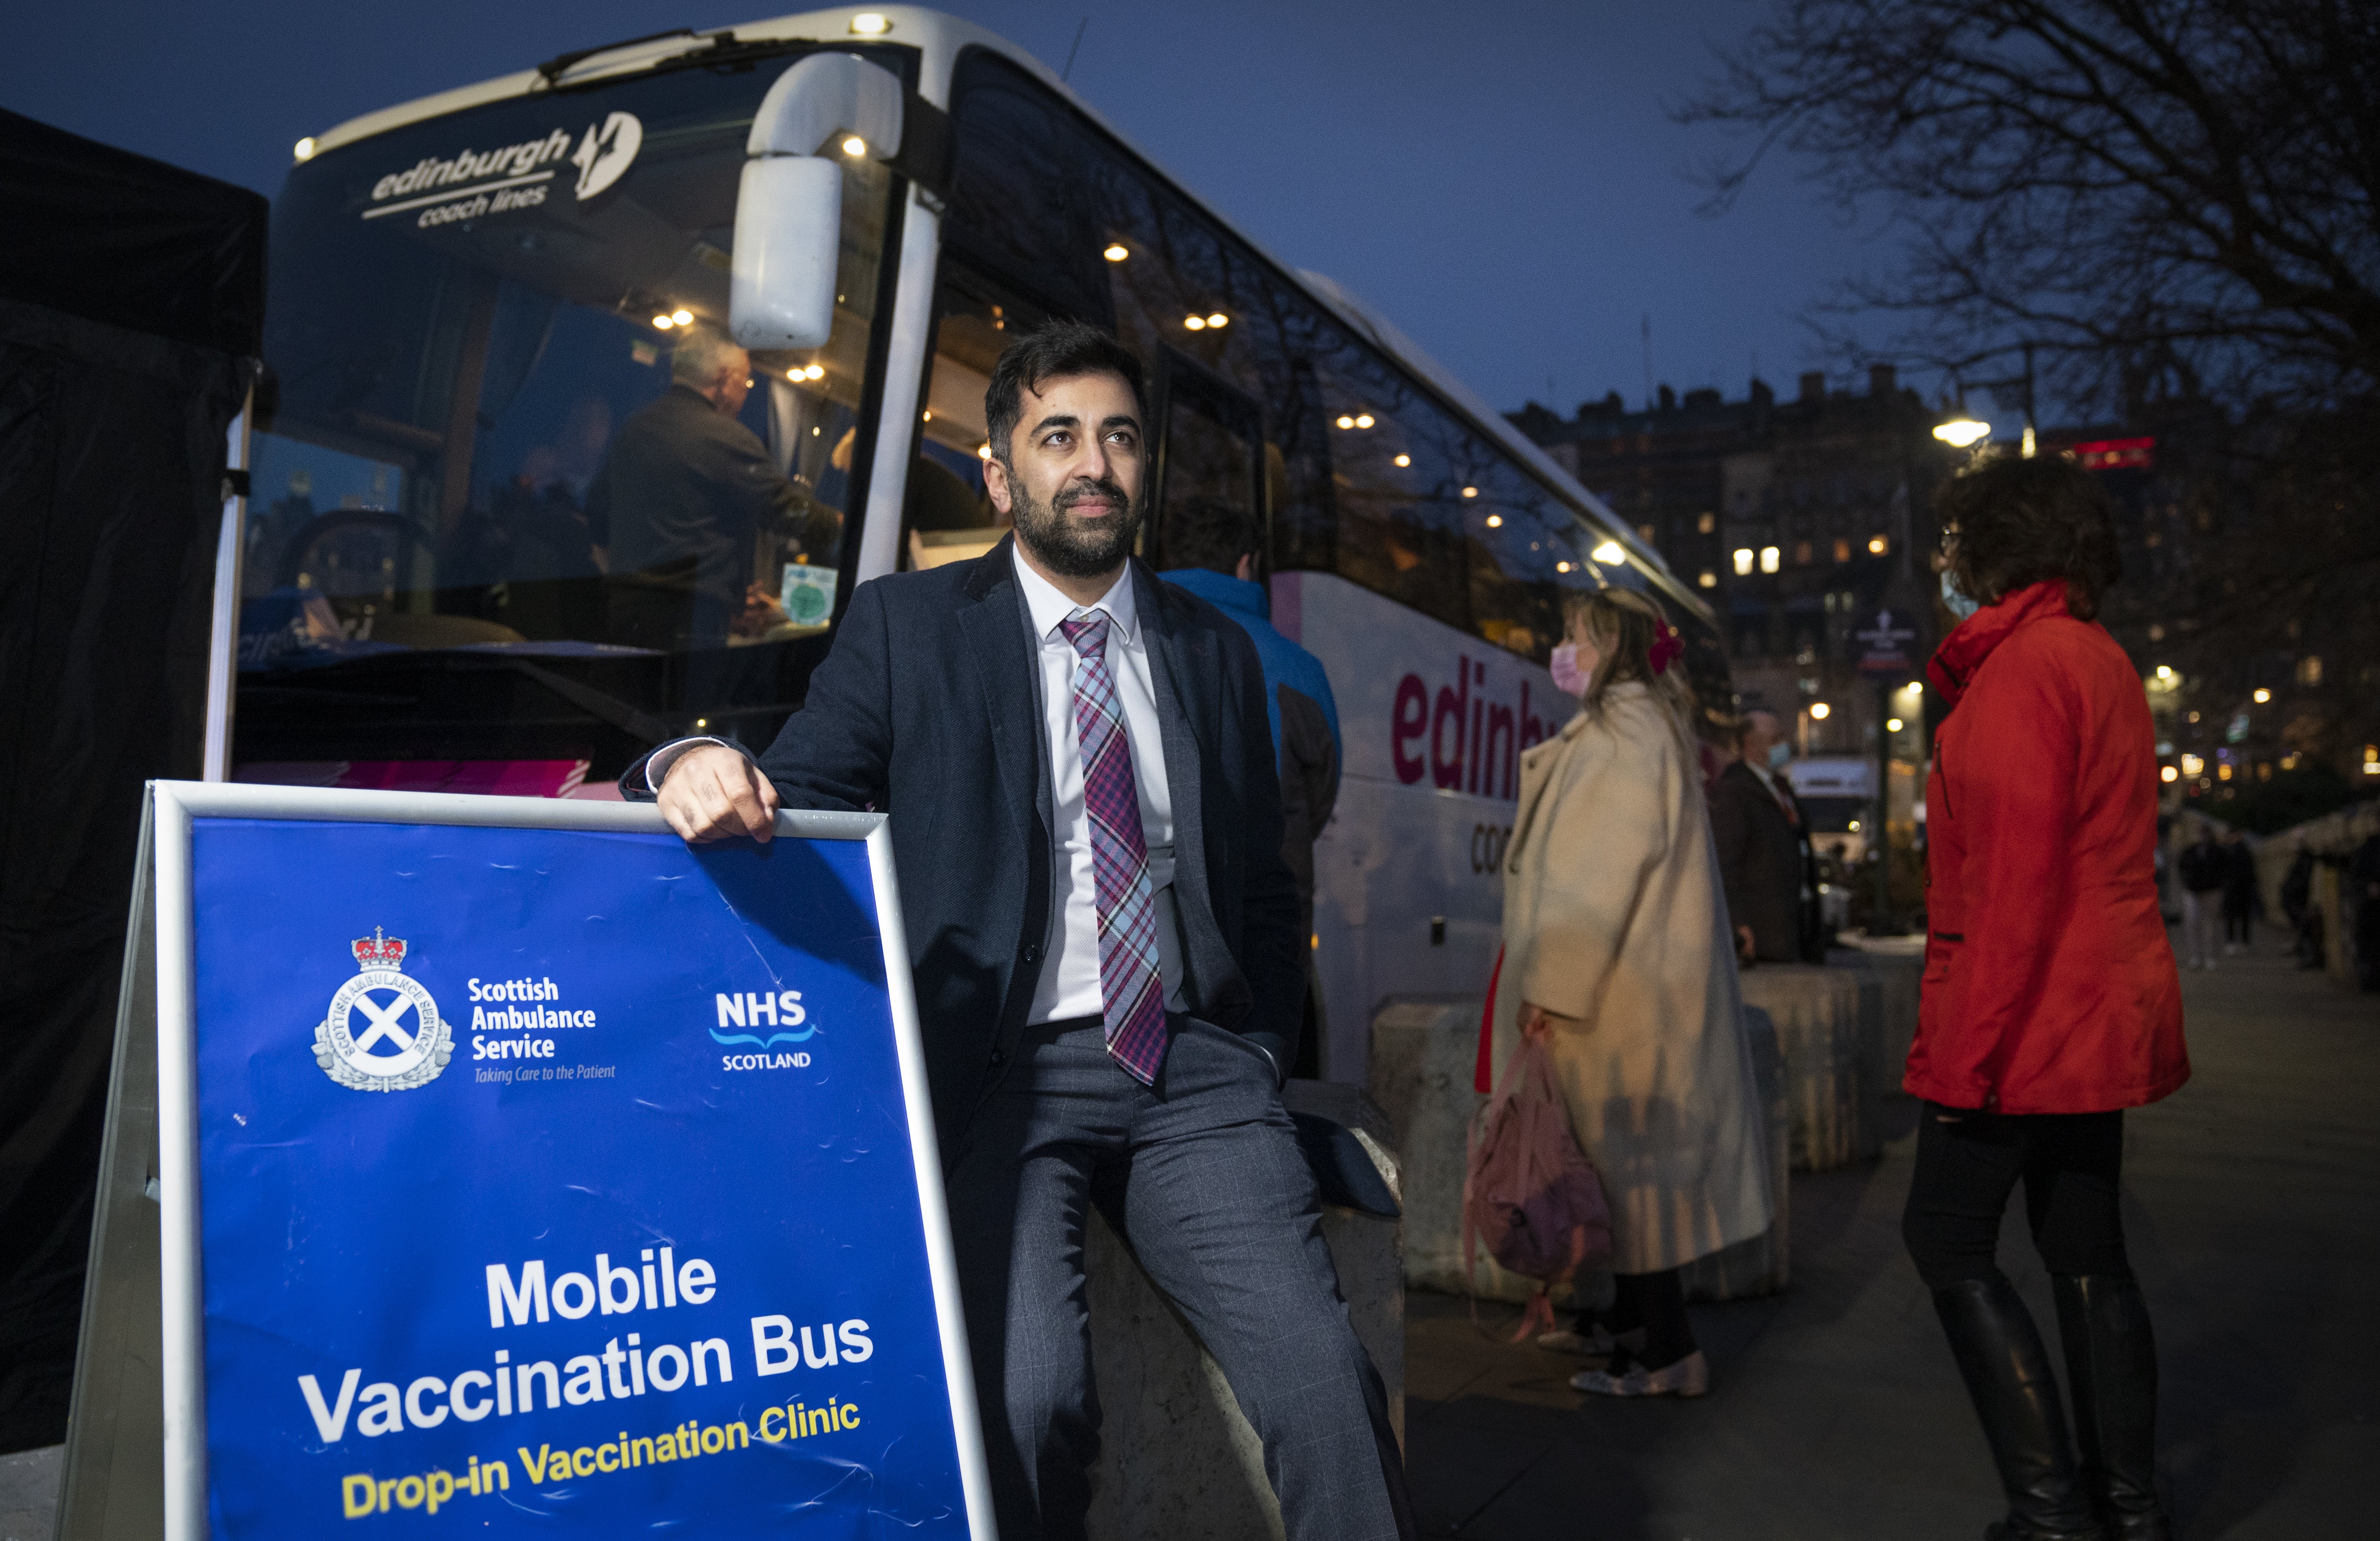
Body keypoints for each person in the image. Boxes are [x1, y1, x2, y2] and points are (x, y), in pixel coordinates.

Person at [627, 321, 1413, 1541]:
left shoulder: (1211, 653)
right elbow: (796, 789)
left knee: (1328, 1395)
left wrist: (1254, 1047)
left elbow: (1264, 882)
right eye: (1058, 437)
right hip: (1006, 1075)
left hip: (1194, 1073)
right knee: (1028, 1401)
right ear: (1002, 475)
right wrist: (685, 757)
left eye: (1117, 437)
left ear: (1143, 468)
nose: (1090, 463)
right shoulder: (908, 627)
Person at [1904, 455, 2189, 1541]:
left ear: (1999, 542)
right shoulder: (2096, 656)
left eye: (1953, 539)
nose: (1942, 561)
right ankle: (2129, 1502)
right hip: (2091, 1013)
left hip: (2026, 1019)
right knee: (2084, 1244)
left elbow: (2012, 892)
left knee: (1944, 1238)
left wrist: (1960, 1063)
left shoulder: (2023, 673)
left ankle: (2051, 1509)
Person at [1487, 588, 1772, 1398]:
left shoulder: (1624, 733)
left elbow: (1595, 878)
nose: (1563, 647)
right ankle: (1628, 1322)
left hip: (1618, 997)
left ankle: (1669, 1351)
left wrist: (1548, 986)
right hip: (1631, 992)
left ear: (1612, 647)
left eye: (1576, 634)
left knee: (1638, 1177)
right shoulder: (1637, 726)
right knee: (1622, 1174)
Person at [1157, 496, 1343, 1024]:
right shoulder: (1297, 666)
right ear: (1246, 565)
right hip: (1263, 940)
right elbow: (1322, 789)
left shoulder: (1129, 640)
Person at [586, 326, 836, 663]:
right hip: (688, 621)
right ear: (725, 378)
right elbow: (785, 509)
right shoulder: (726, 439)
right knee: (677, 712)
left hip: (620, 610)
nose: (746, 392)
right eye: (746, 382)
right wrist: (836, 521)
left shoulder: (633, 429)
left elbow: (597, 519)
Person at [1708, 709, 1815, 965]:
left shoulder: (1780, 786)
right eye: (1775, 739)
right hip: (1764, 934)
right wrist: (1739, 923)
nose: (1783, 746)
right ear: (1750, 744)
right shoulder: (1734, 792)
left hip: (1792, 928)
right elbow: (1726, 864)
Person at [2175, 826, 2226, 969]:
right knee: (2192, 923)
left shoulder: (2217, 851)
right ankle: (2195, 956)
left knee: (2210, 924)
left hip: (2211, 890)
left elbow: (2224, 869)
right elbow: (2182, 868)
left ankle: (2210, 957)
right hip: (2192, 891)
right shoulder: (2189, 851)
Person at [2219, 830, 2257, 954]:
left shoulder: (2239, 851)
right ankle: (2237, 942)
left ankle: (2240, 942)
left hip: (2239, 889)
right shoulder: (2235, 851)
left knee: (2239, 917)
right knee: (2235, 917)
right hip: (2235, 889)